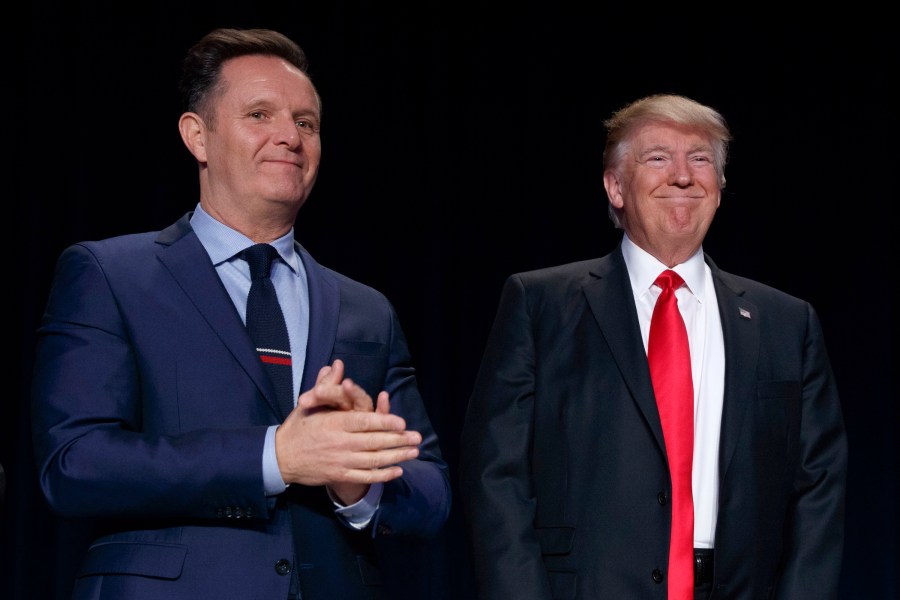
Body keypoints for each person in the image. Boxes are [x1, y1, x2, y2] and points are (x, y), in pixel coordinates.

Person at [31, 27, 450, 600]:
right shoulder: (109, 274)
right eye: (259, 115)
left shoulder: (365, 309)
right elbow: (74, 465)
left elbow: (430, 493)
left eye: (306, 123)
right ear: (196, 137)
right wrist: (275, 456)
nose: (289, 137)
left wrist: (356, 486)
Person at [459, 93, 847, 599]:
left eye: (701, 158)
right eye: (658, 157)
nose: (682, 176)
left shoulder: (786, 322)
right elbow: (496, 478)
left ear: (721, 187)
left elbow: (818, 490)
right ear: (615, 186)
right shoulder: (540, 305)